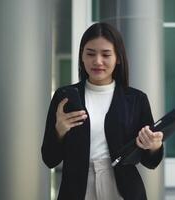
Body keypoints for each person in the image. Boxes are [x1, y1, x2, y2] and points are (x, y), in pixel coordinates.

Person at [41, 22, 164, 200]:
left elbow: (150, 161)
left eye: (106, 54)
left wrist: (154, 146)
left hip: (122, 188)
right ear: (82, 56)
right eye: (90, 54)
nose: (97, 61)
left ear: (118, 58)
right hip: (77, 188)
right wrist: (59, 131)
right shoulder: (65, 96)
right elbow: (49, 159)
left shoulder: (136, 100)